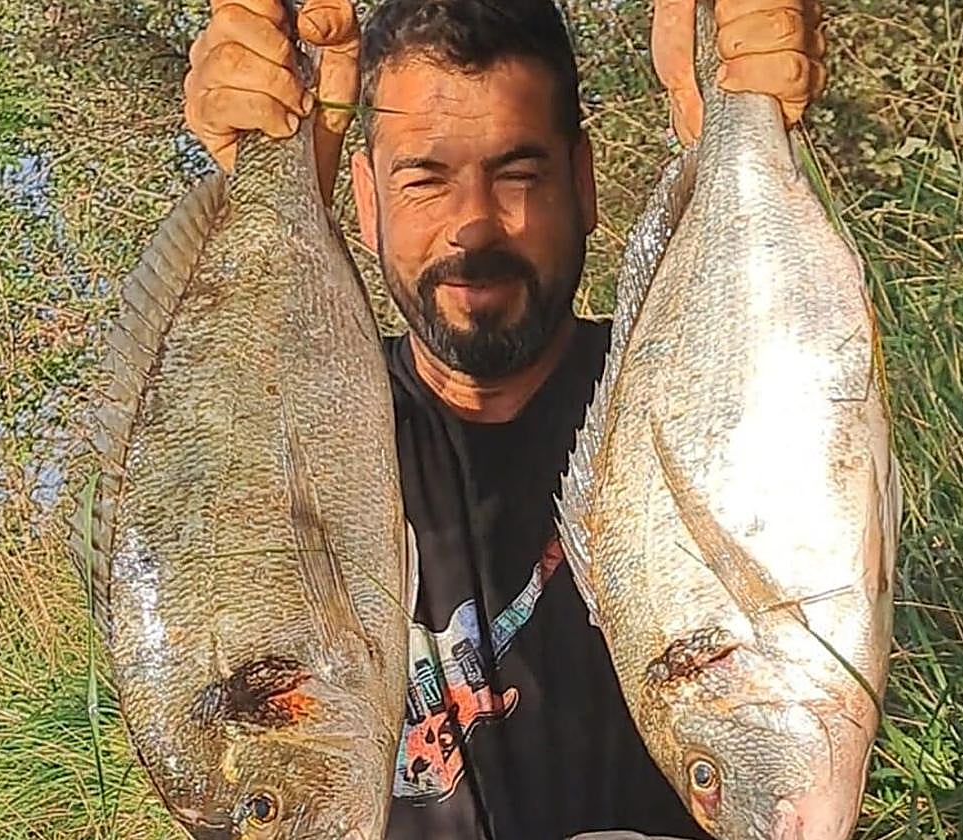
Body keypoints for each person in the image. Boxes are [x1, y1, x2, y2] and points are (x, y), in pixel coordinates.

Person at [183, 0, 826, 837]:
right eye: (424, 178)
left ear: (583, 184)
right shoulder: (286, 445)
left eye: (519, 174)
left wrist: (732, 139)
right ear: (368, 205)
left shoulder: (704, 410)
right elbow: (155, 535)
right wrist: (275, 182)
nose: (475, 225)